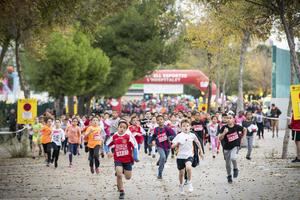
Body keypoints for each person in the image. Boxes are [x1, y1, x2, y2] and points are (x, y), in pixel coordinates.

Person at [106, 120, 139, 199]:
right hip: (118, 159)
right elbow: (106, 145)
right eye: (120, 127)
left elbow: (135, 146)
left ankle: (122, 170)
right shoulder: (114, 136)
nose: (122, 129)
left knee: (128, 177)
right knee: (119, 175)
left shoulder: (128, 136)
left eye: (124, 128)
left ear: (126, 129)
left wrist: (135, 157)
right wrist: (108, 152)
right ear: (118, 127)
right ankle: (121, 191)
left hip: (127, 160)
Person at [171, 119, 203, 195]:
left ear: (190, 127)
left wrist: (200, 151)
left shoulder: (192, 135)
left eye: (187, 126)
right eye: (184, 126)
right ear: (181, 127)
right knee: (181, 173)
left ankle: (189, 182)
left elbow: (198, 142)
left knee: (188, 167)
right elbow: (172, 146)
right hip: (180, 157)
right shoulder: (179, 135)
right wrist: (177, 143)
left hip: (189, 155)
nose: (186, 127)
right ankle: (181, 186)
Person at [219, 114, 246, 183]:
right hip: (226, 147)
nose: (228, 119)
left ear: (233, 119)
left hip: (235, 146)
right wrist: (224, 133)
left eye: (230, 118)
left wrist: (243, 138)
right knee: (227, 164)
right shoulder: (224, 128)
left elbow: (244, 129)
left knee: (233, 158)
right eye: (227, 118)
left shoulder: (237, 127)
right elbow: (220, 138)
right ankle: (229, 176)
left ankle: (235, 168)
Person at [151, 115, 175, 179]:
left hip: (167, 147)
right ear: (157, 121)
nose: (160, 121)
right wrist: (152, 141)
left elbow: (174, 135)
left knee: (164, 160)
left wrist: (169, 138)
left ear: (163, 120)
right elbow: (154, 136)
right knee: (163, 157)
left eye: (161, 119)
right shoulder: (156, 129)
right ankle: (160, 173)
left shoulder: (167, 128)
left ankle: (159, 161)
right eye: (158, 120)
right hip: (159, 146)